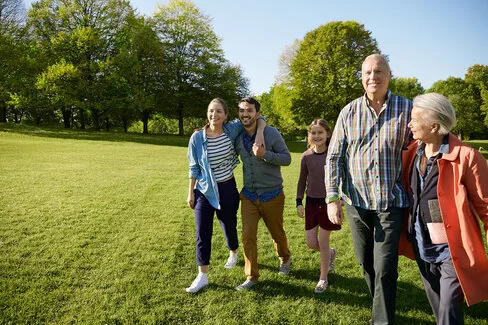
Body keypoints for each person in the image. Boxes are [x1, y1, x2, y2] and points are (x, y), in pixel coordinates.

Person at [325, 54, 412, 324]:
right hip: (356, 202)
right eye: (367, 73)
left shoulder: (407, 108)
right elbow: (334, 157)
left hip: (391, 201)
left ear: (389, 75)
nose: (372, 77)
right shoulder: (349, 112)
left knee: (385, 267)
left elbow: (428, 140)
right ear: (362, 78)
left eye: (378, 71)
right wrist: (331, 197)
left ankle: (381, 320)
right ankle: (379, 309)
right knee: (366, 264)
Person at [400, 93, 488, 324]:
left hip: (453, 248)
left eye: (414, 119)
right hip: (421, 242)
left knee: (448, 307)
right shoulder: (411, 152)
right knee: (439, 306)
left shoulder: (468, 158)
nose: (409, 124)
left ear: (434, 126)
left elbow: (485, 205)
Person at [186, 98, 265, 293]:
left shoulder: (232, 130)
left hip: (227, 187)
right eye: (211, 111)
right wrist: (190, 193)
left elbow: (259, 118)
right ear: (207, 113)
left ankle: (233, 252)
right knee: (202, 231)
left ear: (226, 115)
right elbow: (193, 167)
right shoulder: (197, 138)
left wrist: (261, 132)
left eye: (219, 112)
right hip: (204, 191)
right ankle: (202, 275)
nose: (214, 115)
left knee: (228, 223)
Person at [233, 97, 292, 291]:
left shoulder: (270, 132)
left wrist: (264, 154)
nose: (245, 114)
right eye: (242, 110)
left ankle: (284, 258)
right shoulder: (238, 134)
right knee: (248, 236)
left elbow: (287, 159)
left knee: (277, 234)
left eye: (249, 110)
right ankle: (251, 276)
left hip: (272, 195)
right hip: (249, 195)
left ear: (257, 114)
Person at [296, 118, 341, 293]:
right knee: (311, 242)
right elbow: (301, 181)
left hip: (328, 202)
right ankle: (330, 253)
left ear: (328, 134)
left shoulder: (333, 155)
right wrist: (299, 201)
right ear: (309, 135)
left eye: (320, 132)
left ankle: (323, 278)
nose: (317, 136)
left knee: (322, 242)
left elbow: (342, 178)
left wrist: (338, 198)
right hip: (311, 202)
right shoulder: (306, 156)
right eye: (313, 133)